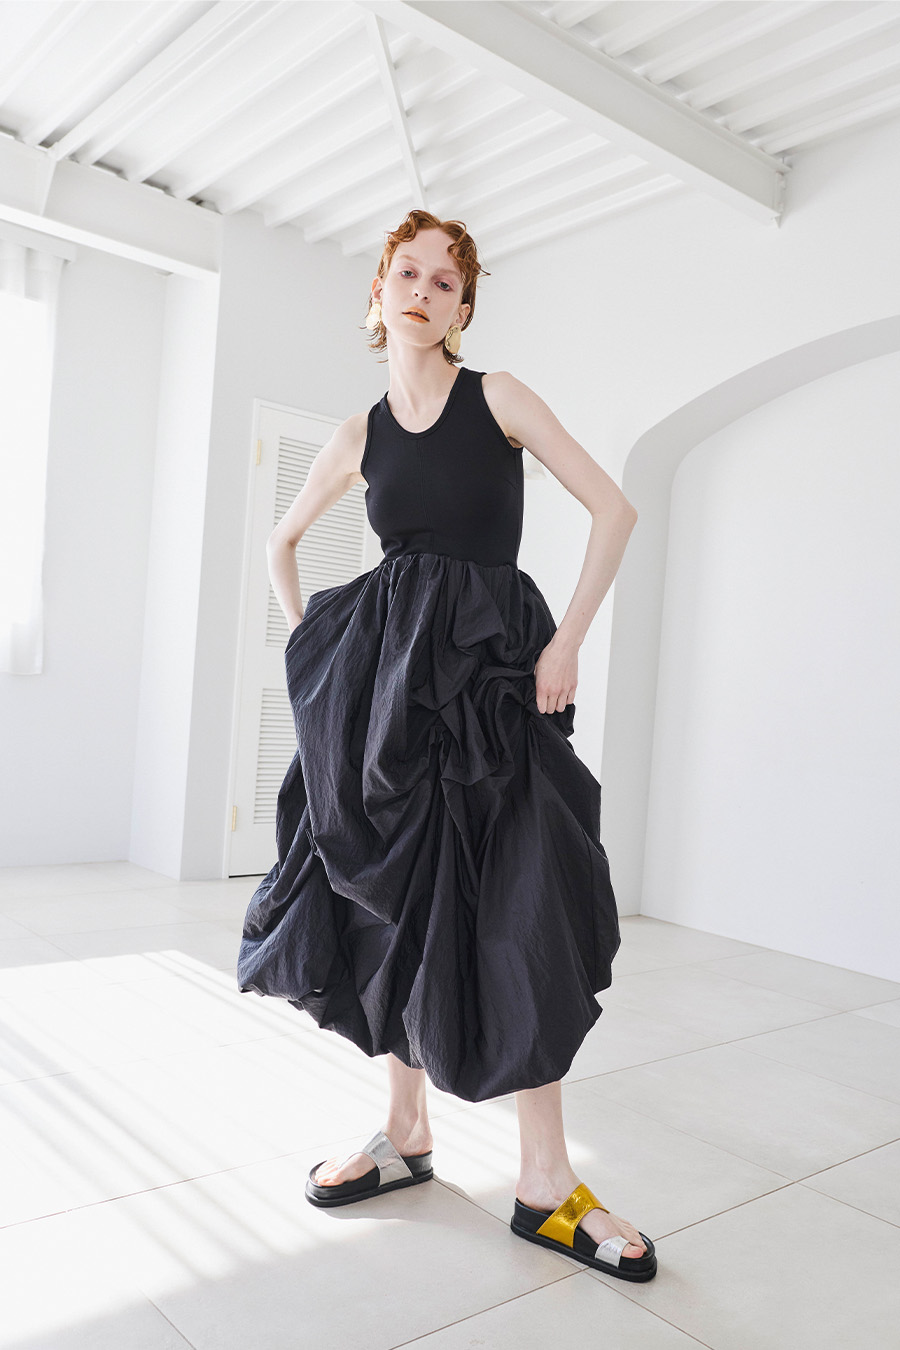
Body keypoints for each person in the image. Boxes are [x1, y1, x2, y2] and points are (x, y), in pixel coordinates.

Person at [237, 210, 656, 1281]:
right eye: (407, 274)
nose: (422, 292)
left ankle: (545, 1180)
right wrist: (322, 653)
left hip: (494, 682)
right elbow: (281, 542)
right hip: (387, 699)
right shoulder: (358, 434)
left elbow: (613, 511)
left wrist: (565, 641)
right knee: (389, 903)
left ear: (463, 307)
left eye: (444, 282)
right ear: (379, 291)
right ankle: (407, 1130)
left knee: (522, 901)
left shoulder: (498, 398)